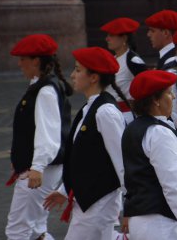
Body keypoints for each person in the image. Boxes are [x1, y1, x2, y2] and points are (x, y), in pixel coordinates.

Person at [43, 47, 127, 240]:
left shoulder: (105, 112)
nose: (72, 75)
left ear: (93, 77)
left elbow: (122, 163)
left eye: (78, 70)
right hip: (89, 200)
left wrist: (131, 204)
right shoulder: (89, 108)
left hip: (99, 201)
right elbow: (82, 159)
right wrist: (65, 189)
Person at [122, 70, 177, 240]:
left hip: (142, 220)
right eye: (168, 93)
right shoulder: (160, 133)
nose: (173, 98)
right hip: (161, 223)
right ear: (155, 100)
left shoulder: (133, 128)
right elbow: (173, 184)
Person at [6, 34, 73, 240]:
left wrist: (36, 166)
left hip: (41, 170)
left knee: (17, 230)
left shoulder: (44, 90)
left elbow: (48, 134)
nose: (19, 64)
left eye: (23, 59)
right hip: (43, 168)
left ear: (36, 61)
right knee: (36, 229)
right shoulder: (41, 85)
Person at [101, 17, 147, 123]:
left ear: (124, 38)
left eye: (111, 35)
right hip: (110, 114)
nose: (107, 39)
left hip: (126, 117)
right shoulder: (113, 59)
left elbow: (146, 88)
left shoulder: (133, 60)